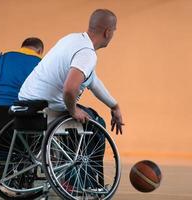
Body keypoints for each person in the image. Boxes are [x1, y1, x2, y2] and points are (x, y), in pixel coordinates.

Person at [18, 9, 124, 189]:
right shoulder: (87, 53)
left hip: (25, 103)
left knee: (86, 115)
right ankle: (79, 182)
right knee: (95, 123)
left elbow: (93, 81)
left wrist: (114, 105)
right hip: (46, 108)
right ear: (108, 32)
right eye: (114, 30)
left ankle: (72, 176)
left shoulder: (72, 39)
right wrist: (74, 110)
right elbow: (70, 88)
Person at [0, 37, 44, 149]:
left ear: (22, 47)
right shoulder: (42, 64)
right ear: (40, 51)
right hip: (27, 121)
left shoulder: (2, 57)